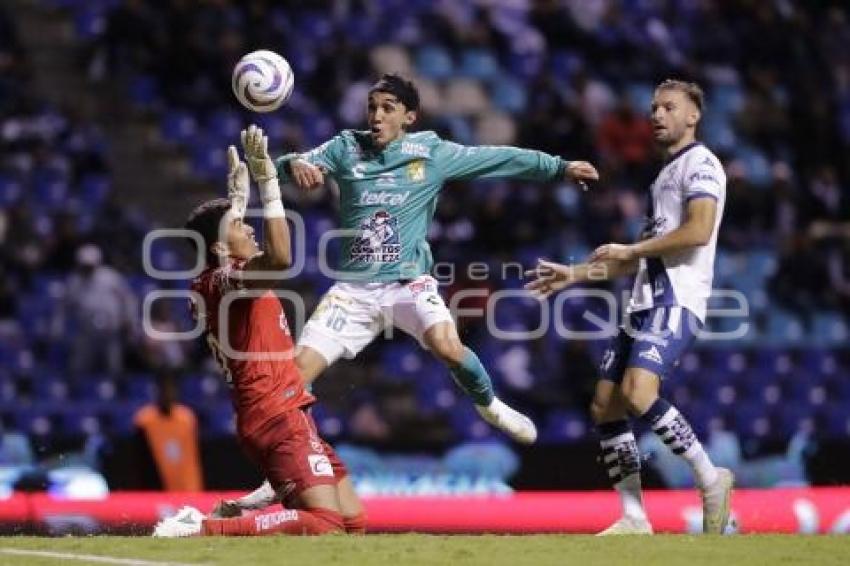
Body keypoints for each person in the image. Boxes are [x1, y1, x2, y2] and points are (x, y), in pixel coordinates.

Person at [213, 74, 599, 518]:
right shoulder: (345, 147)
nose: (377, 115)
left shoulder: (430, 152)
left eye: (388, 107)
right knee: (294, 377)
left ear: (409, 117)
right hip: (354, 292)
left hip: (409, 284)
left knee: (448, 346)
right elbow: (286, 166)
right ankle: (277, 475)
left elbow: (497, 157)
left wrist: (558, 166)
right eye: (372, 106)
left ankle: (490, 406)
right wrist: (293, 164)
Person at [525, 79, 734, 535]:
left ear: (693, 116)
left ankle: (710, 478)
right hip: (643, 301)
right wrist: (576, 274)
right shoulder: (663, 176)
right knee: (605, 406)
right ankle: (635, 517)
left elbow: (698, 232)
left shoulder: (701, 164)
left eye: (669, 107)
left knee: (640, 394)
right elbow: (638, 255)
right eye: (654, 107)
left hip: (675, 297)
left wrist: (631, 251)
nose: (657, 115)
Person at [153, 126, 364, 537]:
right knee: (326, 524)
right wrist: (269, 187)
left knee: (354, 521)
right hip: (276, 416)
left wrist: (237, 203)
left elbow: (232, 250)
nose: (250, 228)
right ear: (219, 248)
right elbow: (281, 258)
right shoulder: (222, 282)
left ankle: (247, 509)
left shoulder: (216, 280)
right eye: (240, 224)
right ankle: (204, 528)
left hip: (282, 412)